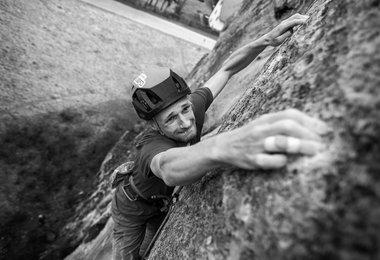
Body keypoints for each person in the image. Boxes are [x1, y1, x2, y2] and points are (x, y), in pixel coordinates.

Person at [112, 13, 329, 260]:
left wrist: (266, 40)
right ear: (155, 125)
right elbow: (167, 168)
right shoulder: (150, 146)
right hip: (131, 208)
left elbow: (227, 69)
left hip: (159, 202)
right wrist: (224, 146)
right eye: (171, 119)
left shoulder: (193, 106)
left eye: (184, 109)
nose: (185, 122)